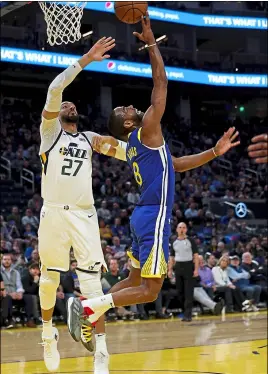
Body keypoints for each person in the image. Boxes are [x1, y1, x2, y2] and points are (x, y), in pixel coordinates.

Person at [67, 13, 240, 342]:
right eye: (125, 110)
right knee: (149, 290)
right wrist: (150, 44)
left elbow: (175, 165)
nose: (130, 106)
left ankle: (90, 311)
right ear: (129, 124)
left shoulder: (139, 144)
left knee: (134, 283)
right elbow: (161, 85)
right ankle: (89, 307)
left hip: (141, 216)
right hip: (155, 215)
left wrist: (215, 153)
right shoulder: (147, 130)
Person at [37, 36, 126, 374]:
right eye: (65, 104)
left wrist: (149, 153)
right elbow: (55, 88)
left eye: (73, 105)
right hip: (53, 212)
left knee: (92, 286)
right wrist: (87, 58)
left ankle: (101, 353)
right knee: (49, 280)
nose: (69, 105)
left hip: (85, 216)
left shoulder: (88, 138)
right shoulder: (49, 134)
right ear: (58, 112)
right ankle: (47, 334)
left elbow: (118, 149)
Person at [168, 222, 199, 322]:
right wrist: (170, 269)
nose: (182, 229)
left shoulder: (191, 240)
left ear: (186, 229)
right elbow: (172, 257)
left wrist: (196, 269)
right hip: (178, 267)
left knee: (189, 292)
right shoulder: (174, 242)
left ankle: (188, 315)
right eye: (180, 227)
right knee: (180, 292)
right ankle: (184, 311)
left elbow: (196, 256)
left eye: (184, 227)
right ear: (177, 229)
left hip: (188, 266)